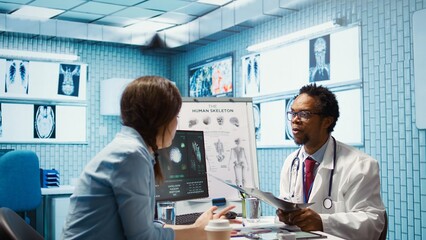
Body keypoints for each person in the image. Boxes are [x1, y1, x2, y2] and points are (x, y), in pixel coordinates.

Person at [62, 76, 236, 240]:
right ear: (160, 119)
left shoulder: (132, 150)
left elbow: (144, 228)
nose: (177, 124)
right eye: (175, 117)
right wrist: (197, 232)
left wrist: (199, 228)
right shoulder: (130, 155)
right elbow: (143, 238)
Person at [276, 84, 386, 239]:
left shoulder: (360, 165)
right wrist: (284, 215)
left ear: (327, 121)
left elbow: (372, 223)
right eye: (292, 113)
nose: (295, 120)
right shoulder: (291, 162)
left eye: (304, 114)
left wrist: (323, 222)